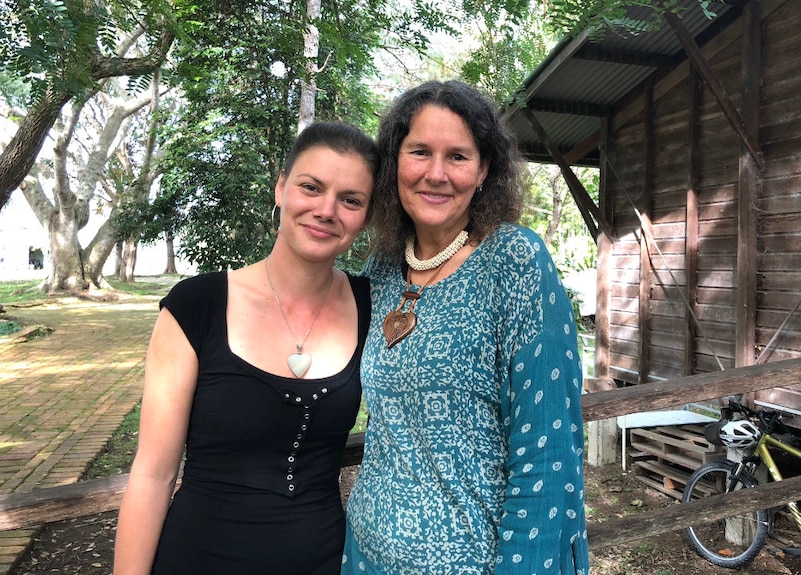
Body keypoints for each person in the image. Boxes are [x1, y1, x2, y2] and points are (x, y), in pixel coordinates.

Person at [341, 80, 589, 574]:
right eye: (419, 152)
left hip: (476, 561)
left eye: (458, 156)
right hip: (367, 555)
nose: (436, 174)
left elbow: (549, 448)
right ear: (394, 166)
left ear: (483, 171)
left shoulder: (514, 261)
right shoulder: (381, 269)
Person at [113, 121, 379, 575]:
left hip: (322, 560)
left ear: (366, 217)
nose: (326, 210)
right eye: (311, 187)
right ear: (280, 188)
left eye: (350, 200)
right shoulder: (196, 306)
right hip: (196, 558)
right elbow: (153, 474)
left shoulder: (373, 305)